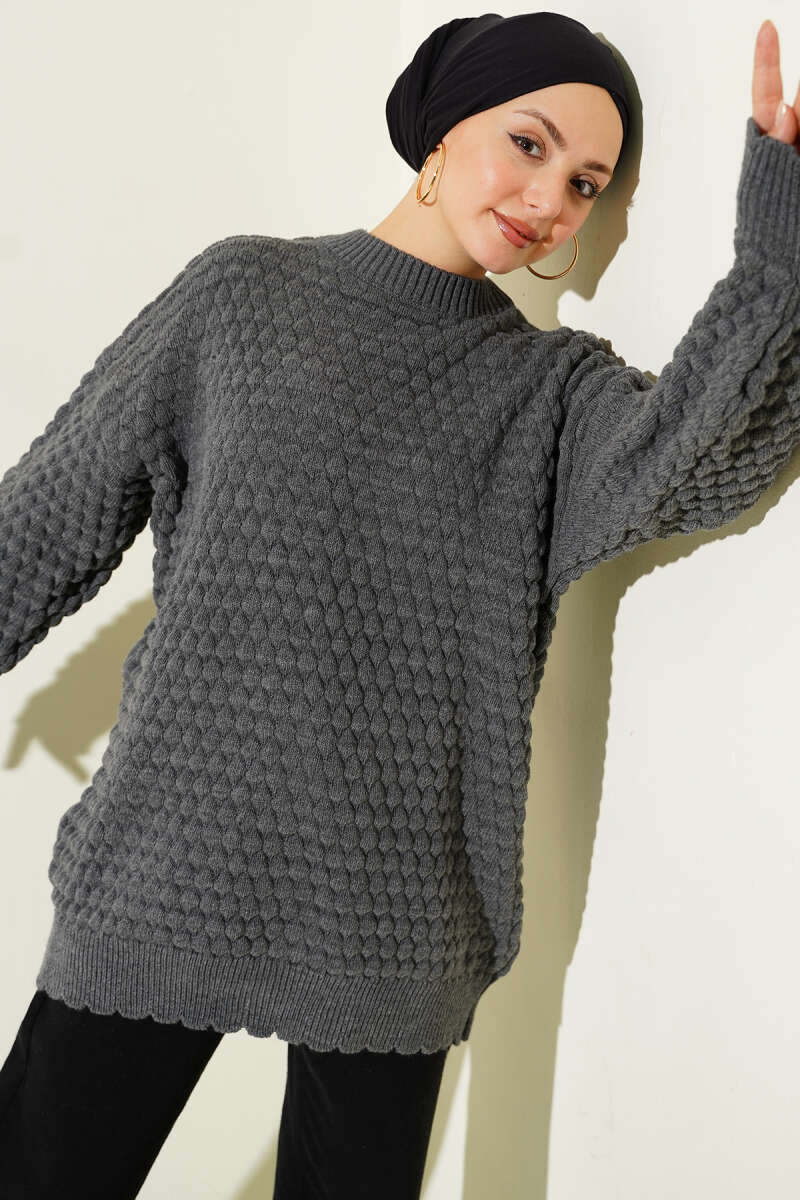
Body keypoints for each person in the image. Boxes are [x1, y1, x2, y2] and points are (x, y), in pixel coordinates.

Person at [1, 10, 798, 1199]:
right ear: (441, 132)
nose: (549, 201)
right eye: (526, 144)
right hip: (168, 866)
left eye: (585, 184)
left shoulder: (551, 394)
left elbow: (697, 449)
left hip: (394, 915)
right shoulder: (242, 295)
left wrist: (777, 242)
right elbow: (55, 504)